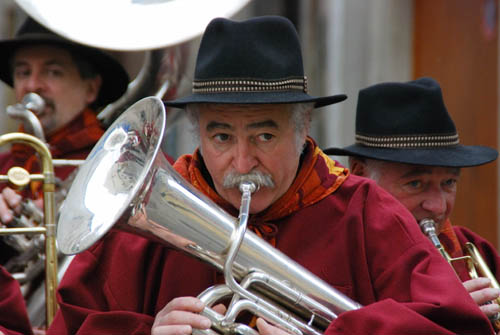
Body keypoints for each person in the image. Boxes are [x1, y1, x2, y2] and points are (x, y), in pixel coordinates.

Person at [48, 16, 495, 334]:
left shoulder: (367, 212)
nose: (242, 163)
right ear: (197, 133)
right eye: (221, 137)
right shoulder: (135, 225)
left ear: (304, 130)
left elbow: (454, 327)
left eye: (264, 136)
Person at [323, 77, 500, 328]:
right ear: (360, 174)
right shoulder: (333, 256)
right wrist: (432, 322)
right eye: (415, 183)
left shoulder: (476, 251)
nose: (439, 207)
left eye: (449, 183)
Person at [0, 16, 129, 333]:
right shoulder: (4, 163)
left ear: (91, 88)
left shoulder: (123, 165)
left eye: (52, 71)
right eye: (23, 72)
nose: (33, 85)